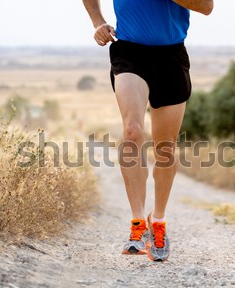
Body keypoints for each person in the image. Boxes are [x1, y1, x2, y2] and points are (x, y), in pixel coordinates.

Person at [83, 0, 214, 261]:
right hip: (129, 53)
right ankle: (137, 224)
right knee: (132, 131)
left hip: (171, 56)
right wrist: (97, 20)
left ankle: (159, 221)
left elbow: (207, 6)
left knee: (165, 148)